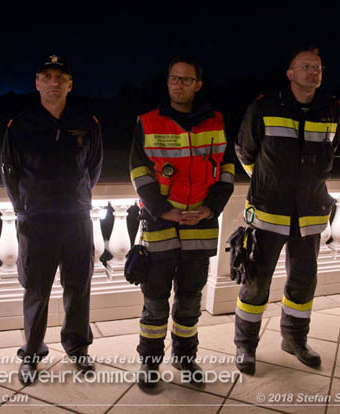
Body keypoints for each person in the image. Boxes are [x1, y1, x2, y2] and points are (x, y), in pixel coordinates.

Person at [233, 46, 340, 375]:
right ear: (290, 74)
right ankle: (246, 345)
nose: (314, 71)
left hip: (310, 214)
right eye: (305, 66)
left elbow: (333, 152)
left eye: (318, 67)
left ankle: (294, 338)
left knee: (303, 282)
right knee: (255, 282)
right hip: (268, 212)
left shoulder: (331, 109)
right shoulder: (264, 106)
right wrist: (268, 184)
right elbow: (244, 152)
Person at [129, 57, 235, 389]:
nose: (179, 84)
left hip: (200, 226)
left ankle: (186, 358)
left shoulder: (216, 122)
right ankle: (149, 363)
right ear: (168, 82)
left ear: (198, 85)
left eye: (186, 80)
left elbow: (228, 169)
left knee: (190, 301)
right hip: (160, 227)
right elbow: (138, 171)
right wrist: (162, 210)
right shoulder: (147, 122)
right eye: (174, 79)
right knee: (155, 303)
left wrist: (210, 208)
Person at [1, 55, 103, 385]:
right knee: (36, 290)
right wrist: (24, 207)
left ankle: (77, 347)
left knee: (78, 286)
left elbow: (94, 168)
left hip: (76, 218)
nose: (54, 82)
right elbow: (9, 171)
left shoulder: (87, 121)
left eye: (61, 77)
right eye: (47, 76)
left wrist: (79, 197)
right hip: (36, 221)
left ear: (70, 84)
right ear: (37, 83)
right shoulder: (21, 123)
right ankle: (32, 352)